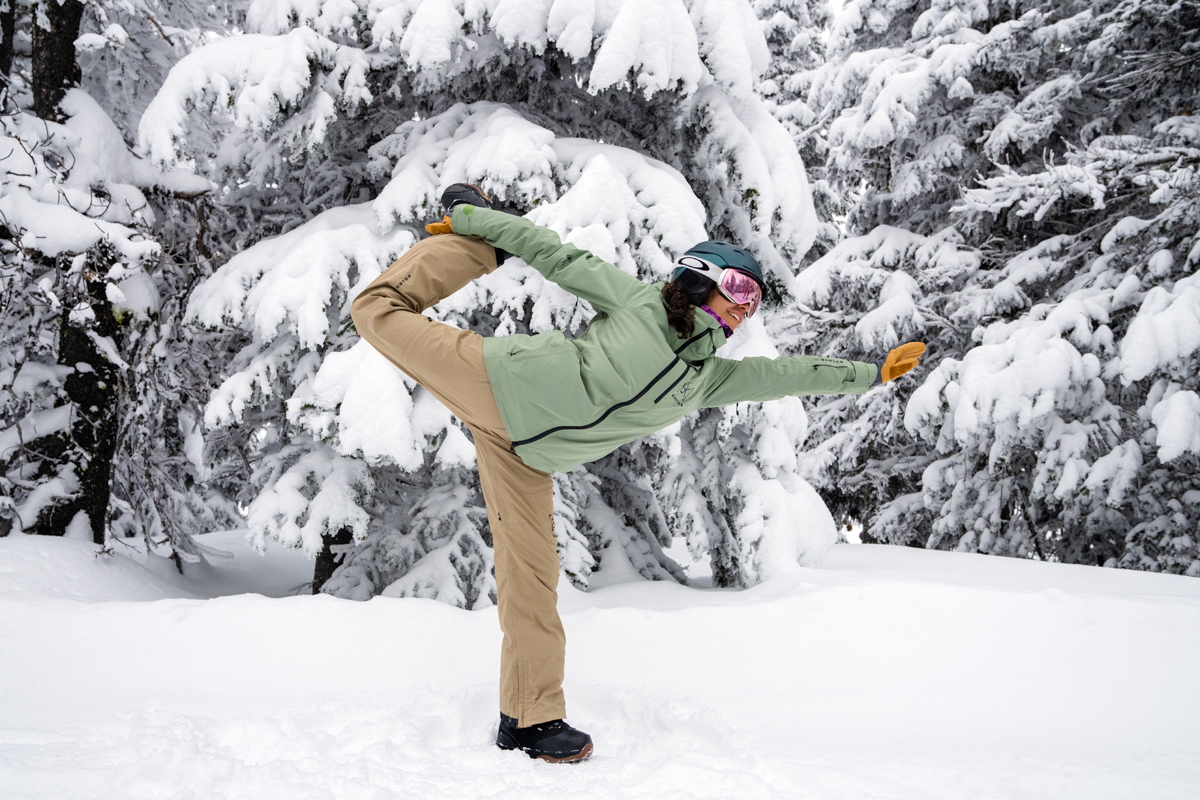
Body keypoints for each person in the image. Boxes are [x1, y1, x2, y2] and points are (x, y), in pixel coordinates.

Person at [350, 184, 926, 763]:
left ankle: (531, 720)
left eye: (754, 303)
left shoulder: (705, 378)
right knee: (375, 310)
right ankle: (475, 243)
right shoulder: (638, 305)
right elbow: (552, 253)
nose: (745, 309)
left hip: (527, 457)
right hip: (500, 385)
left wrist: (869, 373)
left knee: (534, 580)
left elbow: (788, 374)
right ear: (702, 277)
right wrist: (479, 222)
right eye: (739, 290)